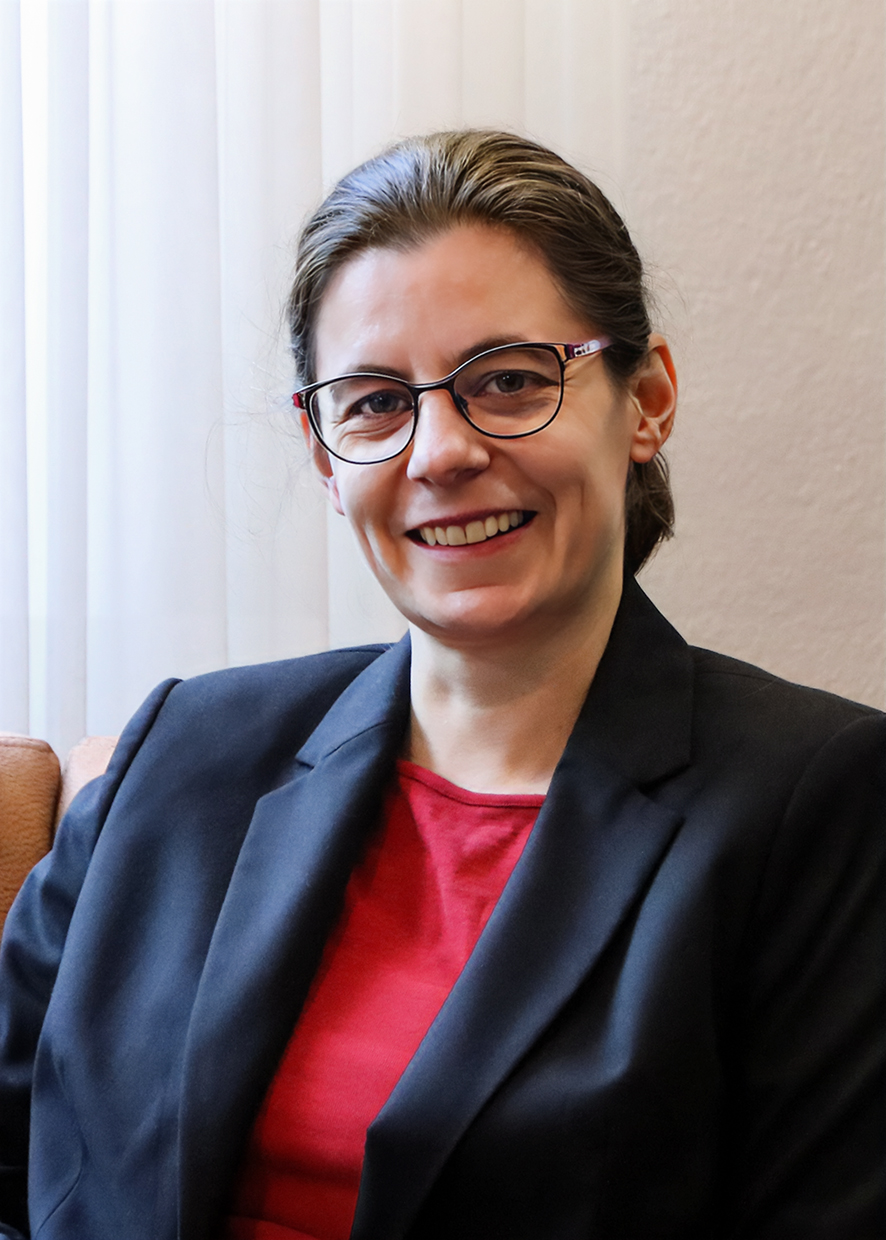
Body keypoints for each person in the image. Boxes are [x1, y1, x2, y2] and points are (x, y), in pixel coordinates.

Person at [0, 130, 883, 1240]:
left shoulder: (822, 802)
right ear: (324, 454)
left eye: (509, 381)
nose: (440, 452)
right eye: (375, 402)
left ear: (647, 400)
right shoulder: (182, 748)